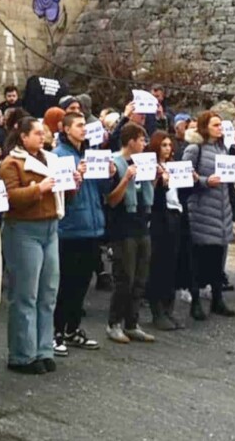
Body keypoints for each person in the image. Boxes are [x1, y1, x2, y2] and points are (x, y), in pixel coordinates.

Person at [0, 114, 62, 374]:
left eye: (43, 132)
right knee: (26, 293)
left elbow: (61, 192)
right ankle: (22, 354)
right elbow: (10, 197)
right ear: (23, 137)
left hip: (50, 227)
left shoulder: (51, 158)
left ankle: (44, 349)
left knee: (48, 292)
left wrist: (72, 184)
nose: (42, 136)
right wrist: (39, 189)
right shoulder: (11, 163)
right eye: (36, 133)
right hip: (23, 229)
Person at [181, 111, 235, 319]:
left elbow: (229, 178)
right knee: (199, 259)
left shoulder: (222, 148)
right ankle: (196, 300)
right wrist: (205, 181)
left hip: (221, 208)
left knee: (218, 259)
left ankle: (217, 299)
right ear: (205, 127)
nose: (220, 128)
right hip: (201, 209)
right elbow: (185, 177)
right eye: (216, 125)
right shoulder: (194, 149)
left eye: (221, 125)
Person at [52, 113, 103, 354]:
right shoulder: (60, 155)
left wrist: (109, 172)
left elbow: (101, 190)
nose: (84, 130)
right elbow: (61, 193)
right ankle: (56, 331)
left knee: (82, 283)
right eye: (79, 126)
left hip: (92, 226)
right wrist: (76, 178)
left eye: (85, 125)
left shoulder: (89, 154)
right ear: (66, 129)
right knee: (66, 284)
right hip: (71, 229)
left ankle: (73, 328)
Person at [104, 122, 159, 343]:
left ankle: (132, 322)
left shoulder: (142, 162)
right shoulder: (115, 164)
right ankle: (114, 323)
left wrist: (154, 177)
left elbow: (147, 193)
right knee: (124, 277)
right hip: (122, 226)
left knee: (140, 277)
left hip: (141, 223)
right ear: (131, 141)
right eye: (142, 140)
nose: (145, 144)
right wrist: (126, 178)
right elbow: (111, 200)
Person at [145, 131, 185, 331]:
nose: (168, 149)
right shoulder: (152, 169)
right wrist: (161, 182)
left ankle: (169, 309)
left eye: (170, 145)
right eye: (164, 145)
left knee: (172, 264)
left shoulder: (174, 166)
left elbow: (182, 193)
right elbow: (150, 197)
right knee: (159, 264)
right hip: (160, 218)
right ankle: (157, 311)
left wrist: (190, 180)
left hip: (176, 215)